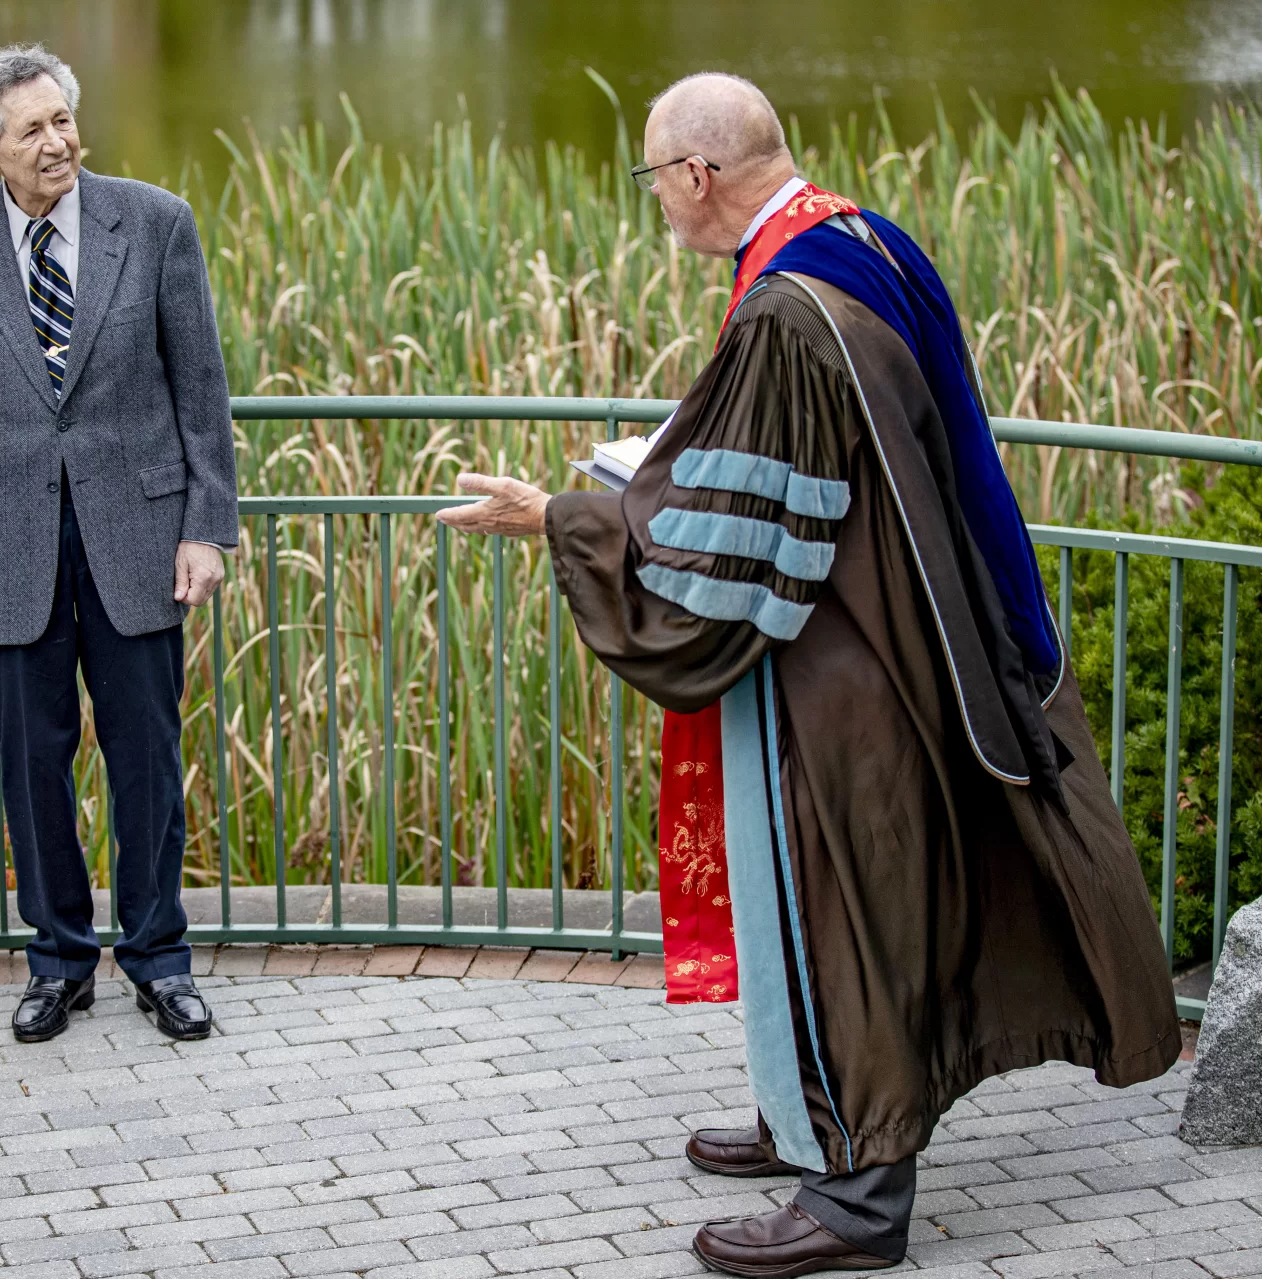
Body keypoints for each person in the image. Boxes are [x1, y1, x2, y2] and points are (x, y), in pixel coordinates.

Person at [438, 72, 1179, 1277]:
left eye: (652, 180)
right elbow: (786, 469)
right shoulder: (855, 235)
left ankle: (858, 1197)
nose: (656, 207)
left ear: (695, 176)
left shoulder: (787, 309)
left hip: (849, 663)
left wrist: (569, 521)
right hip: (917, 615)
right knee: (837, 904)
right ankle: (810, 1115)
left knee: (847, 906)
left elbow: (737, 541)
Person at [0, 45, 239, 1044]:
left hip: (138, 535)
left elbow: (200, 388)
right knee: (27, 766)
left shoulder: (152, 221)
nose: (56, 143)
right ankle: (55, 959)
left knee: (146, 756)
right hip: (2, 544)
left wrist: (203, 526)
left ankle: (159, 957)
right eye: (30, 130)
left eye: (62, 121)